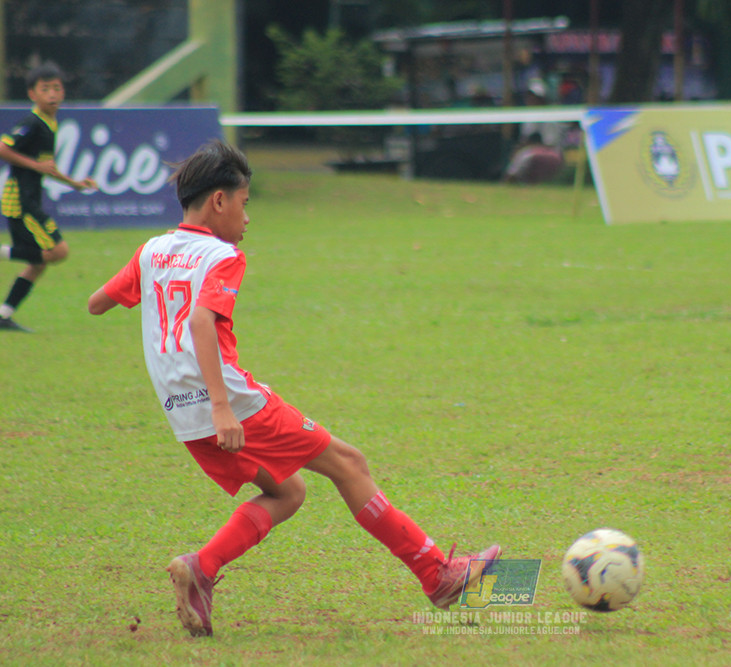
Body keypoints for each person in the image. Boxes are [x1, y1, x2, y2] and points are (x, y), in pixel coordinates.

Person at [87, 140, 500, 637]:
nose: (246, 217)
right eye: (244, 202)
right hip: (232, 406)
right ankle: (438, 575)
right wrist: (223, 407)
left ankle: (201, 567)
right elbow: (199, 321)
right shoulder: (222, 255)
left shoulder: (152, 250)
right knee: (349, 464)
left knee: (288, 491)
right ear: (219, 201)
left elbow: (96, 303)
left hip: (181, 413)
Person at [0, 61, 97, 331]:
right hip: (20, 201)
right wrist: (34, 166)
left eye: (56, 88)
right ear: (32, 94)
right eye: (45, 89)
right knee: (57, 251)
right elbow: (3, 149)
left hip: (29, 199)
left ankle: (4, 315)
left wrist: (75, 183)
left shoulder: (49, 123)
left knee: (38, 263)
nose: (52, 94)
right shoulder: (31, 122)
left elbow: (47, 166)